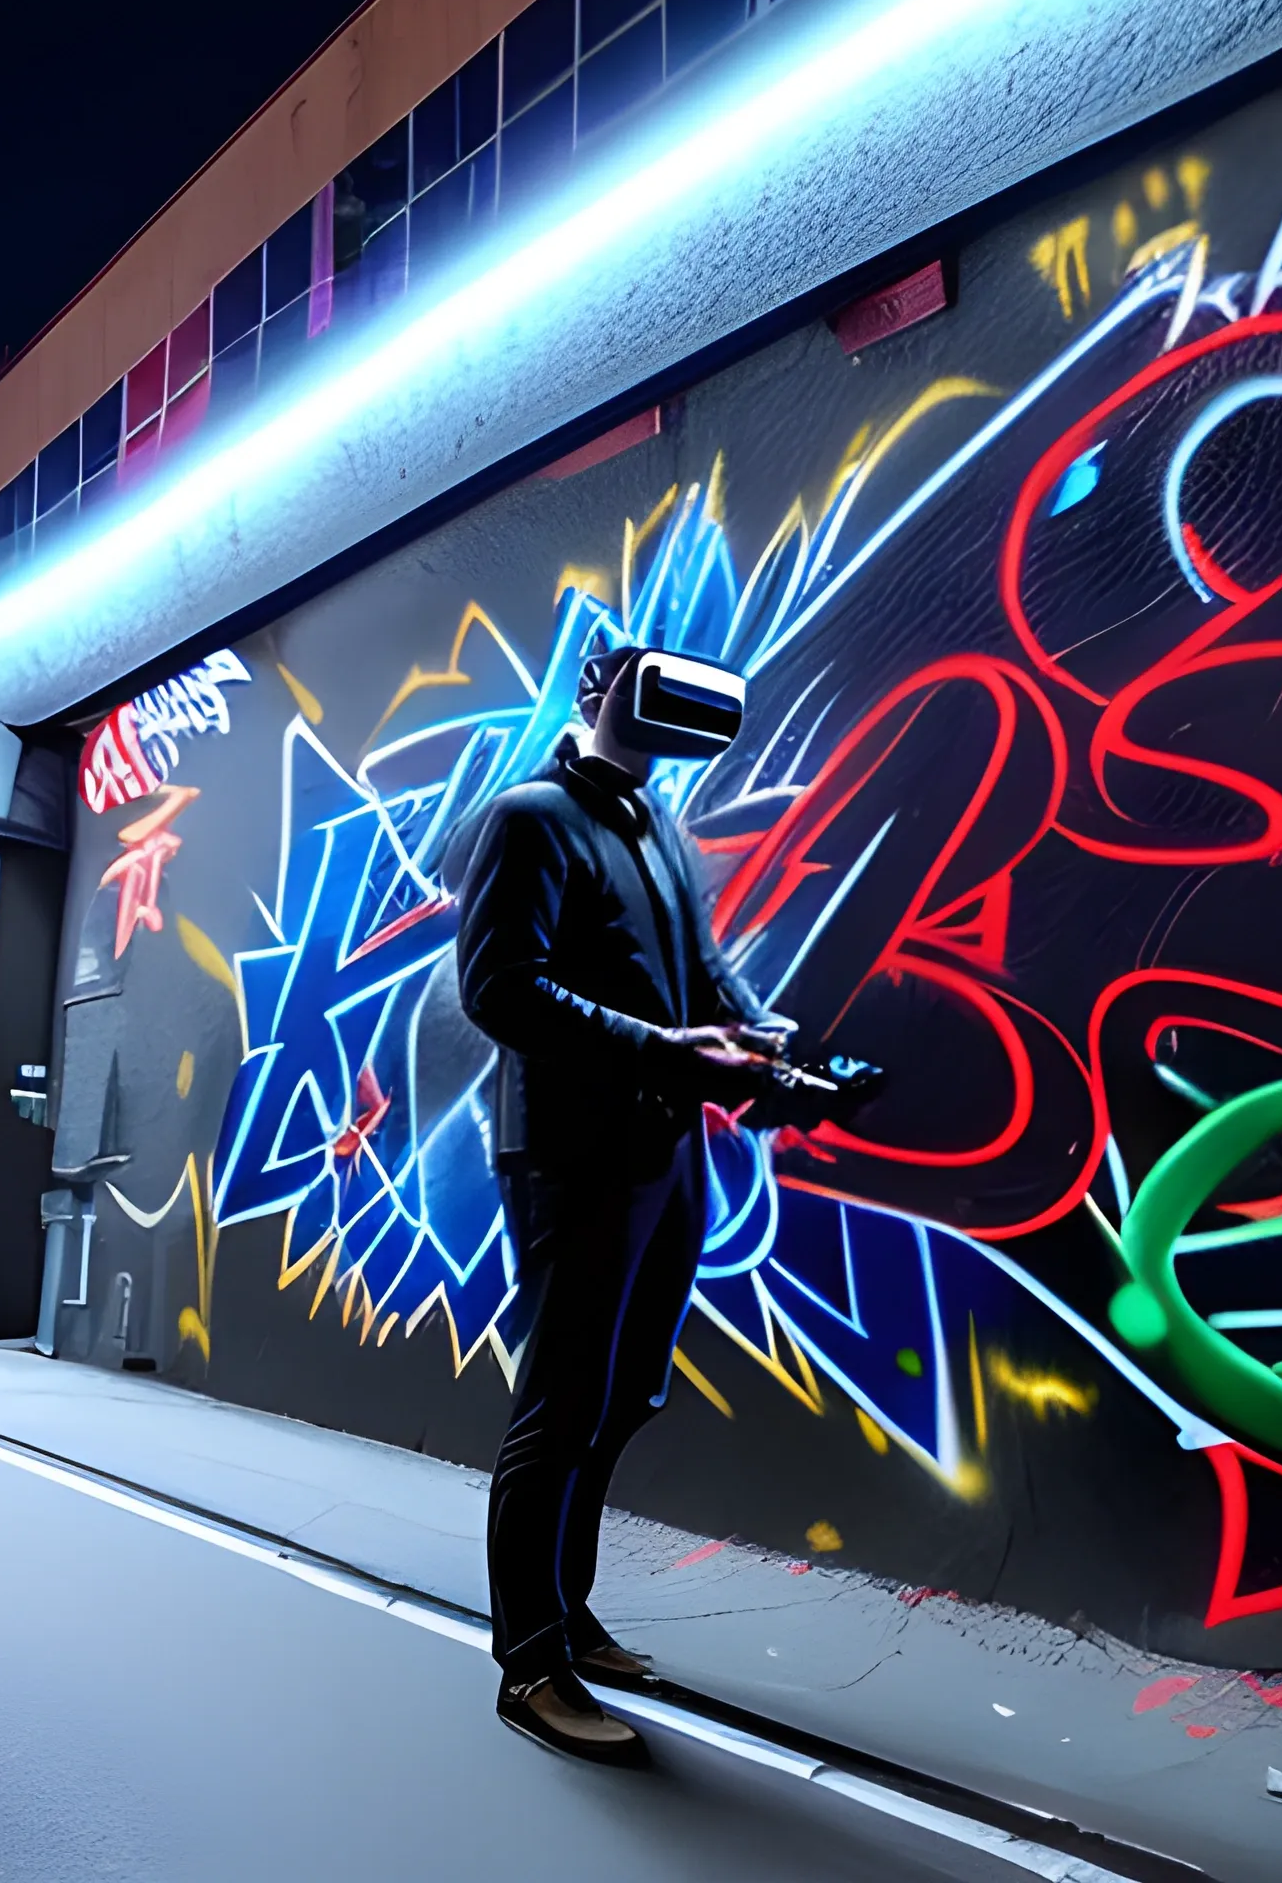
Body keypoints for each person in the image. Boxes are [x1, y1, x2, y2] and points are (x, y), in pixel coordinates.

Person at [457, 644, 786, 1767]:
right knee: (557, 1403)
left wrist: (759, 1036)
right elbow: (499, 988)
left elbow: (700, 965)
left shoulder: (659, 824)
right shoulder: (530, 817)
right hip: (567, 1150)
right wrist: (664, 1046)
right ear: (595, 695)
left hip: (664, 1144)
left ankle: (568, 1612)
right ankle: (528, 1661)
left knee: (622, 1391)